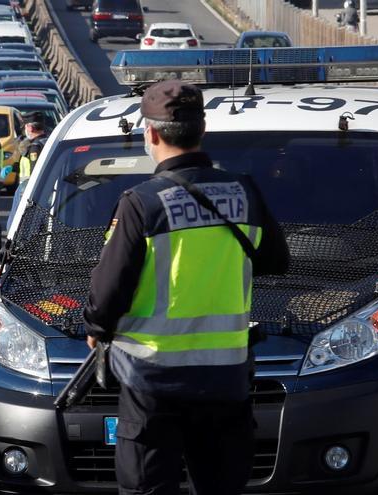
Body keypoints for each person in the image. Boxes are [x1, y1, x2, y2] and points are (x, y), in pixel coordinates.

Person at [82, 80, 290, 495]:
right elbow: (276, 261)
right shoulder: (243, 192)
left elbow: (109, 289)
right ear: (203, 129)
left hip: (153, 382)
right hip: (226, 380)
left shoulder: (142, 202)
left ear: (151, 134)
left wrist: (95, 328)